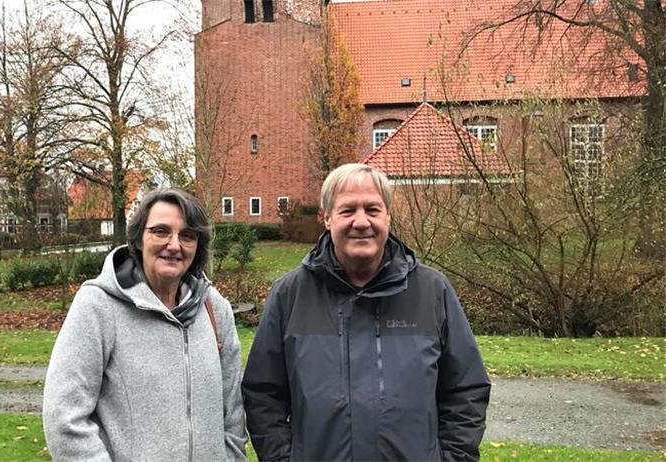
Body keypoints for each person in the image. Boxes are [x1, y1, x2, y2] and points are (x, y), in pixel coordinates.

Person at [242, 163, 491, 461]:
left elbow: (466, 389)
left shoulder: (432, 291)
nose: (361, 222)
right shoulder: (290, 295)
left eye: (372, 210)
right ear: (327, 218)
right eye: (348, 210)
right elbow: (262, 394)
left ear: (388, 217)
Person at [43, 188, 247, 461]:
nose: (174, 245)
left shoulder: (214, 308)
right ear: (138, 238)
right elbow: (64, 419)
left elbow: (232, 412)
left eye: (187, 235)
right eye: (161, 231)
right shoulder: (97, 306)